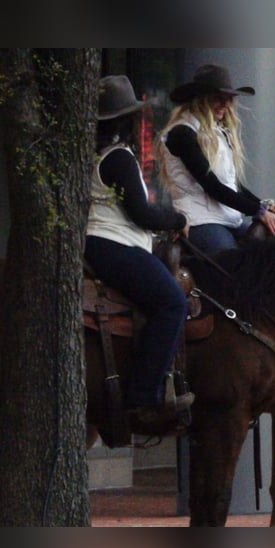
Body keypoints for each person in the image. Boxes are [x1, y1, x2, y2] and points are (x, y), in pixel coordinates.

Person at [85, 75, 194, 425]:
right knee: (172, 303)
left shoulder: (93, 155)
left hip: (100, 242)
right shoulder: (118, 158)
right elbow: (142, 214)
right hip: (113, 243)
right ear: (127, 118)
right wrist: (177, 220)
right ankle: (144, 397)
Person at [156, 64, 275, 255]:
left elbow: (232, 186)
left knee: (274, 255)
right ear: (200, 100)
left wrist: (265, 206)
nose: (225, 105)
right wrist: (259, 211)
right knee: (233, 270)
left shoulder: (218, 133)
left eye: (229, 99)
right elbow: (211, 185)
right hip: (200, 221)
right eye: (218, 98)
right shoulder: (182, 133)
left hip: (229, 219)